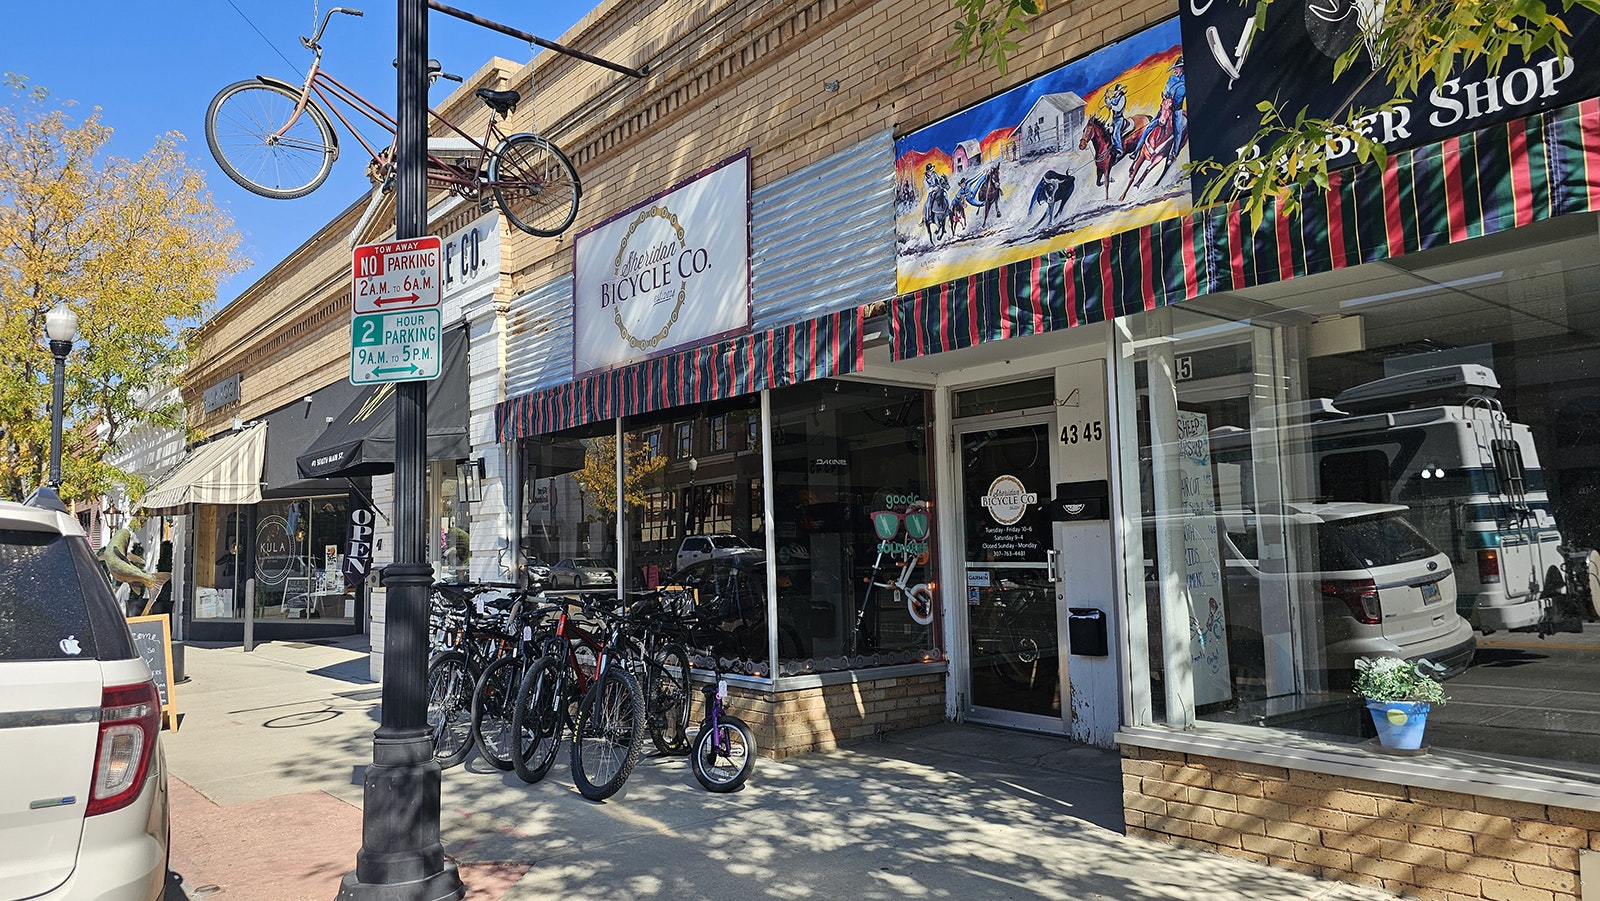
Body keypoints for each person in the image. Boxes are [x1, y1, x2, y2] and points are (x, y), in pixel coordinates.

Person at [1105, 83, 1130, 160]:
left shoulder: (1122, 98)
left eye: (1118, 91)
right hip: (1114, 119)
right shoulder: (1114, 98)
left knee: (1116, 133)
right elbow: (1108, 102)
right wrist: (1106, 97)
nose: (1117, 92)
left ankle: (1119, 150)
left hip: (1119, 119)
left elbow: (1119, 108)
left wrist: (1111, 106)